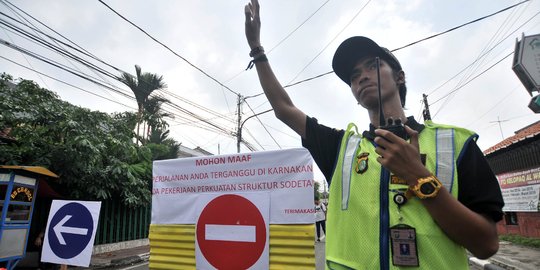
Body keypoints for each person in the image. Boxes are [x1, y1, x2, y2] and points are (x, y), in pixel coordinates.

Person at [243, 0, 504, 269]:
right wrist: (256, 49)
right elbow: (284, 109)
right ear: (355, 95)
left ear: (400, 77)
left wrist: (419, 176)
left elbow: (486, 245)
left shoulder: (454, 144)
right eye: (354, 76)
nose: (362, 77)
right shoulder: (342, 148)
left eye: (372, 66)